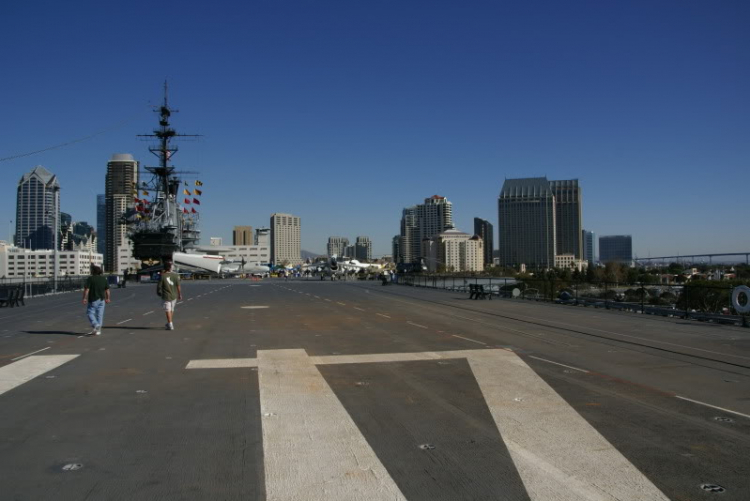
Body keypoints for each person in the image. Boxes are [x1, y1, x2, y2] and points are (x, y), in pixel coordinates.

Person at [82, 265, 110, 336]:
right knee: (99, 315)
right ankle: (98, 331)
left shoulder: (90, 279)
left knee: (90, 313)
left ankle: (95, 324)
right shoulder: (104, 279)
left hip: (93, 299)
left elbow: (87, 290)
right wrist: (108, 298)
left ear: (93, 271)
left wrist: (84, 298)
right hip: (102, 299)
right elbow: (107, 290)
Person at [157, 259, 182, 330]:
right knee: (171, 309)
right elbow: (178, 286)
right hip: (174, 295)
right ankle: (169, 323)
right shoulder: (176, 275)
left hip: (166, 296)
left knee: (168, 309)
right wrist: (180, 294)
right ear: (171, 267)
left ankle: (170, 324)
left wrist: (159, 292)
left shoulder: (162, 276)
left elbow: (159, 286)